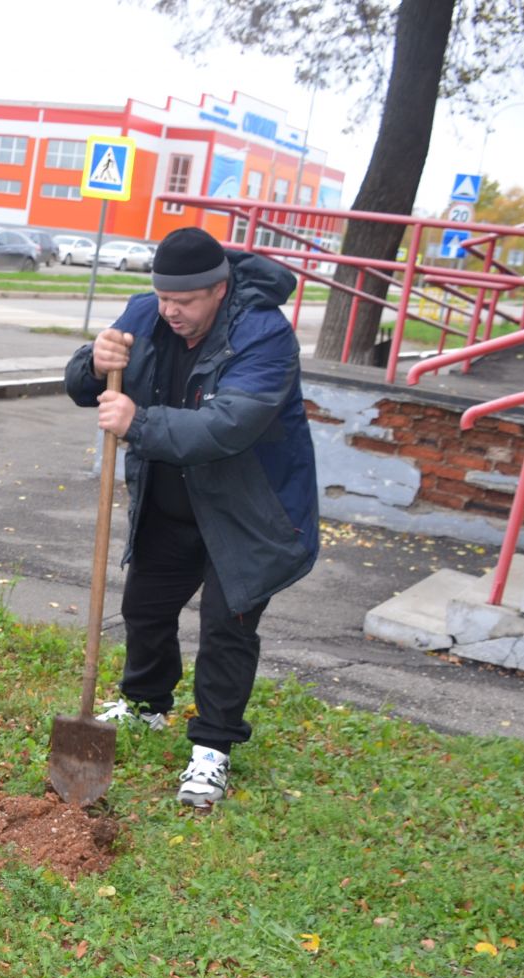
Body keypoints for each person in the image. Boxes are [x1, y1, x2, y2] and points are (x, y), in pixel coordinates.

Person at [64, 226, 319, 809]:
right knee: (145, 608)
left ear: (220, 290)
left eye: (186, 301)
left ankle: (212, 749)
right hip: (171, 499)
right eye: (164, 298)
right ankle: (147, 704)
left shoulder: (265, 335)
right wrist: (90, 361)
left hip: (247, 511)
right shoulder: (146, 312)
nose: (171, 312)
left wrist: (140, 424)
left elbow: (231, 423)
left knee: (227, 629)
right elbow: (87, 385)